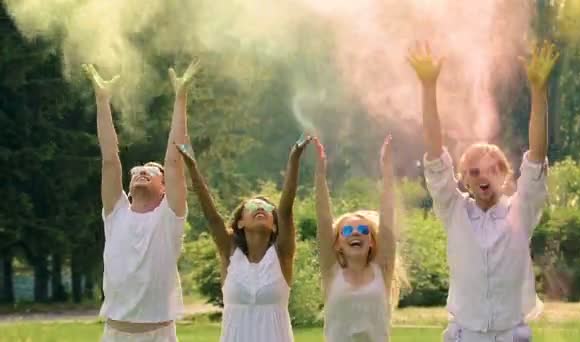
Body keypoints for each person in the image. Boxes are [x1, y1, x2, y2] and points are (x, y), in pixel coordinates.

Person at [408, 41, 559, 341]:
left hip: (511, 334)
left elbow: (537, 156)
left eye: (492, 169)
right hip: (465, 334)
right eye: (474, 172)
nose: (482, 177)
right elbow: (435, 154)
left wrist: (539, 91)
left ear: (505, 176)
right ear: (463, 179)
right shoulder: (453, 210)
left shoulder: (522, 209)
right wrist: (428, 87)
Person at [84, 59, 201, 342]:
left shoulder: (169, 217)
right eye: (137, 171)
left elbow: (174, 161)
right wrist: (102, 101)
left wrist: (180, 97)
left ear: (164, 188)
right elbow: (111, 158)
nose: (141, 172)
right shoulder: (116, 212)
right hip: (115, 333)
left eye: (151, 171)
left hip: (158, 335)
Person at [176, 135, 311, 342]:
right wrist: (192, 168)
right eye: (252, 206)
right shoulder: (230, 252)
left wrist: (294, 159)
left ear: (274, 225)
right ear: (240, 222)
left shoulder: (281, 255)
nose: (260, 208)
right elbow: (212, 217)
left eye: (266, 208)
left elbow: (285, 209)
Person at [313, 135, 401, 342]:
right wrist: (320, 175)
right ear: (337, 244)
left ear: (371, 241)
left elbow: (388, 222)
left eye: (363, 229)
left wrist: (387, 174)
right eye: (346, 231)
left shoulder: (382, 270)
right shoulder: (331, 272)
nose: (355, 233)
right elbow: (324, 221)